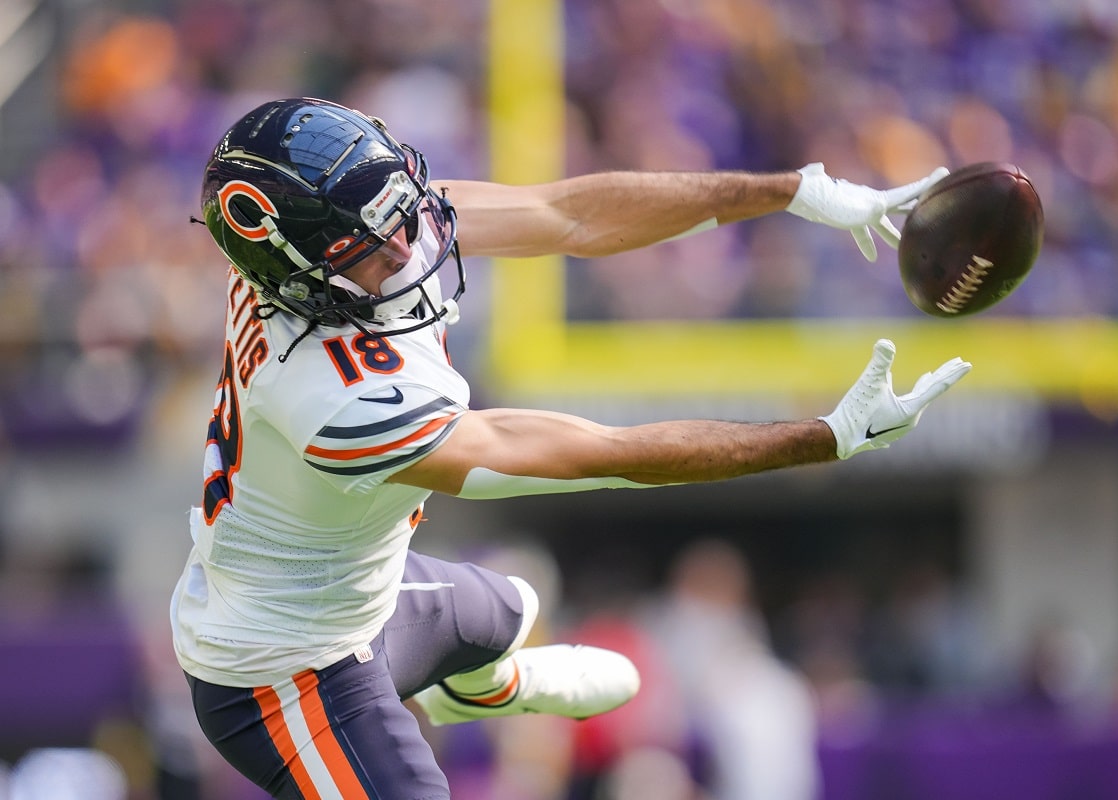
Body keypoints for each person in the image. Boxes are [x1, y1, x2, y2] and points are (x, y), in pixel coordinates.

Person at [171, 96, 970, 800]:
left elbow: (569, 214)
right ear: (300, 272)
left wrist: (790, 190)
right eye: (372, 247)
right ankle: (469, 686)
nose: (410, 247)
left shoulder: (333, 247)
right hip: (281, 671)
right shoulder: (335, 404)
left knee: (509, 611)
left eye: (405, 216)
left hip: (356, 589)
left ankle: (482, 688)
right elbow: (604, 454)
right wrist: (820, 440)